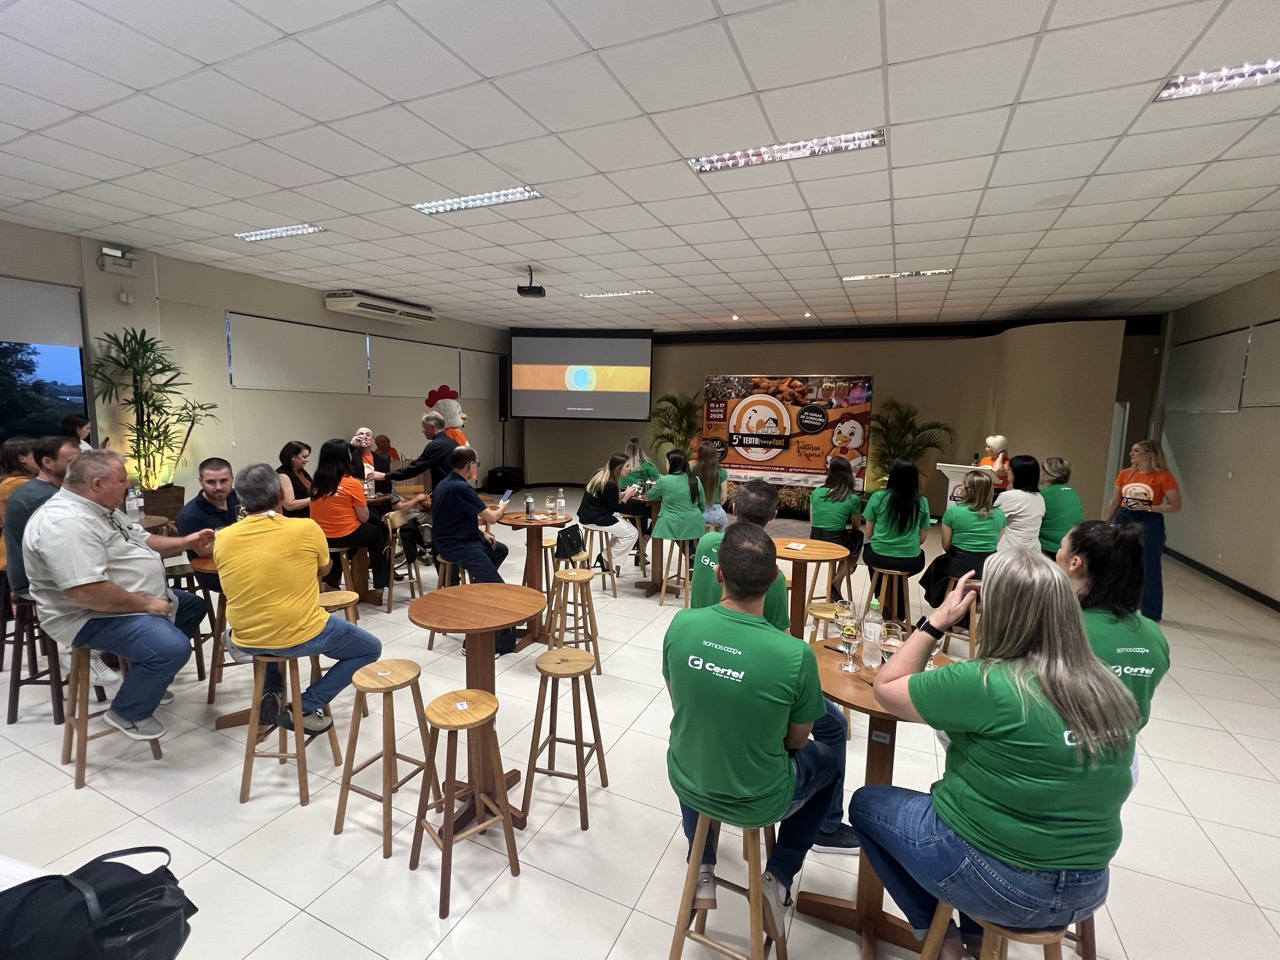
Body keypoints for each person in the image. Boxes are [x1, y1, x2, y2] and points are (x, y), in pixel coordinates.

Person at [849, 554, 1140, 960]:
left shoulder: (988, 682)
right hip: (1088, 889)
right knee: (973, 815)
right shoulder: (1106, 685)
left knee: (867, 804)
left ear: (1000, 615)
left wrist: (937, 620)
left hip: (1007, 887)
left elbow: (887, 685)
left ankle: (940, 938)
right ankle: (974, 935)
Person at [663, 523, 842, 938]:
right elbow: (797, 740)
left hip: (686, 777)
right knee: (828, 764)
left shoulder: (681, 625)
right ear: (776, 579)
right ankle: (778, 876)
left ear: (718, 574)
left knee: (702, 739)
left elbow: (680, 701)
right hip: (761, 798)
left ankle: (701, 866)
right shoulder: (794, 655)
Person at [689, 479, 858, 854]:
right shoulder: (773, 578)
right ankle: (826, 827)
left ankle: (699, 854)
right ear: (774, 515)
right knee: (833, 727)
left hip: (701, 666)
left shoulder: (705, 545)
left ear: (734, 509)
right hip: (750, 672)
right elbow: (783, 642)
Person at [23, 451, 212, 741]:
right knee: (170, 649)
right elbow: (86, 592)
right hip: (85, 615)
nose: (128, 486)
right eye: (122, 480)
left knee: (191, 607)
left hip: (118, 602)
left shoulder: (101, 508)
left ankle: (146, 680)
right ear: (97, 484)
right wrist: (147, 604)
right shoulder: (66, 523)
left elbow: (144, 540)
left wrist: (186, 542)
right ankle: (127, 713)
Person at [215, 463, 382, 734]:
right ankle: (304, 706)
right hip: (298, 634)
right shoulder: (306, 528)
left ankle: (272, 690)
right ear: (281, 494)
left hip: (246, 637)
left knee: (269, 622)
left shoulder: (223, 537)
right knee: (369, 648)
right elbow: (325, 570)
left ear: (240, 498)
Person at [1056, 520, 1169, 730]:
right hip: (1122, 744)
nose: (1057, 553)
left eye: (1061, 547)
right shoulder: (1153, 634)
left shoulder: (1059, 627)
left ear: (1074, 563)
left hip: (1065, 742)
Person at [431, 446, 514, 652]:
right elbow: (492, 518)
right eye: (476, 464)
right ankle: (480, 642)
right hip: (458, 546)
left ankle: (479, 583)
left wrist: (480, 533)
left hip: (453, 539)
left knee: (500, 550)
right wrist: (502, 507)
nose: (476, 467)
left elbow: (454, 518)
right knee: (498, 590)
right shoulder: (462, 488)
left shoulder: (445, 483)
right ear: (469, 465)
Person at [1102, 439, 1181, 622]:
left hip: (1150, 520)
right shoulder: (1125, 474)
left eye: (1136, 451)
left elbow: (1176, 505)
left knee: (1149, 565)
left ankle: (1150, 612)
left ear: (1149, 454)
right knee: (1121, 563)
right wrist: (1106, 522)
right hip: (1125, 516)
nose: (1132, 454)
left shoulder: (1164, 477)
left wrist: (1149, 507)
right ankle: (1119, 604)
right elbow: (1115, 500)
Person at [309, 439, 390, 604]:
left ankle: (330, 582)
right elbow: (364, 517)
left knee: (344, 544)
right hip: (345, 534)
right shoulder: (352, 483)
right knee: (377, 533)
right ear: (345, 457)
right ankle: (379, 588)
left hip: (322, 536)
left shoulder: (316, 482)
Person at [4, 435, 81, 602]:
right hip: (34, 583)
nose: (81, 466)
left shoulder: (39, 489)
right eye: (72, 461)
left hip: (34, 576)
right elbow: (66, 545)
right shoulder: (43, 497)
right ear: (47, 462)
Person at [919, 469, 1005, 609]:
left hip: (957, 565)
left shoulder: (953, 512)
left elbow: (946, 546)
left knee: (937, 567)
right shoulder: (1000, 515)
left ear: (968, 490)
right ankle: (969, 605)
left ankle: (947, 605)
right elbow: (996, 542)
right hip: (986, 568)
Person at [862, 458, 929, 612]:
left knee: (872, 555)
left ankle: (883, 599)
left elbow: (870, 534)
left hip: (879, 556)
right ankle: (894, 607)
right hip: (910, 561)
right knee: (900, 570)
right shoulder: (922, 502)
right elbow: (922, 539)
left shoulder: (877, 498)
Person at [175, 457, 240, 591]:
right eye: (211, 482)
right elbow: (207, 554)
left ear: (232, 478)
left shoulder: (238, 497)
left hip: (242, 562)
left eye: (224, 481)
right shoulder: (190, 516)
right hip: (213, 573)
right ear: (200, 481)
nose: (218, 487)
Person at [807, 455, 863, 601]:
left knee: (846, 541)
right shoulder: (852, 498)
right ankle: (837, 581)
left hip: (815, 540)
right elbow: (856, 526)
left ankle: (835, 587)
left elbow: (813, 520)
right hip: (837, 541)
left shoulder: (817, 492)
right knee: (858, 537)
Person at [578, 453, 640, 571]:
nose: (629, 469)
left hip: (588, 515)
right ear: (618, 468)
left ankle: (606, 557)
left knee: (623, 530)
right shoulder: (610, 485)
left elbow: (605, 498)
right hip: (596, 518)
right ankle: (605, 557)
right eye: (627, 466)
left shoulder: (600, 474)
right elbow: (617, 508)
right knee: (632, 533)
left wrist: (621, 494)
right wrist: (626, 496)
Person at [371, 411, 457, 493]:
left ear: (432, 427)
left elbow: (415, 468)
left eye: (424, 427)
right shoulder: (453, 443)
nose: (423, 431)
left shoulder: (436, 445)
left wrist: (385, 475)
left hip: (446, 492)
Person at [648, 450, 706, 556]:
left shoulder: (664, 480)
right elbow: (702, 504)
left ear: (672, 464)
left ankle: (691, 558)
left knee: (683, 537)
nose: (666, 465)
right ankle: (693, 559)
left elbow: (650, 496)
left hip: (674, 524)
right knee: (691, 544)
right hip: (695, 523)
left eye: (666, 462)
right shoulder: (695, 480)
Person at [995, 455, 1045, 553]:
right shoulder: (1040, 498)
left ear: (1018, 473)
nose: (1006, 470)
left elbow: (992, 522)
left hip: (1011, 550)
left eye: (1009, 468)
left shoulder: (1008, 497)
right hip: (1033, 550)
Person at [1038, 457, 1085, 557]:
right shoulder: (1074, 492)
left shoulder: (1042, 494)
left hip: (1049, 549)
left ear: (1047, 475)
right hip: (1073, 545)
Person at [617, 436, 660, 537]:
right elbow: (658, 481)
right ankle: (646, 536)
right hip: (638, 503)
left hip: (621, 504)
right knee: (660, 514)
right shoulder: (647, 465)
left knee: (641, 518)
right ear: (641, 450)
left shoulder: (620, 465)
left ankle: (640, 539)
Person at [693, 440, 729, 532]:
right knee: (724, 523)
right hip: (715, 514)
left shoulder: (692, 469)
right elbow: (723, 498)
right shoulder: (722, 472)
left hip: (696, 513)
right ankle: (720, 540)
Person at [350, 426, 391, 498]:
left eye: (368, 435)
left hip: (376, 498)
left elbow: (387, 484)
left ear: (373, 441)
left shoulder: (382, 459)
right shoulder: (349, 456)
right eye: (361, 434)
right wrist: (351, 446)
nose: (364, 437)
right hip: (354, 497)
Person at [276, 441, 313, 518]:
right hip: (294, 520)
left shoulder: (301, 471)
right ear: (292, 457)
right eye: (304, 457)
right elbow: (289, 505)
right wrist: (315, 498)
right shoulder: (283, 475)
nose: (307, 460)